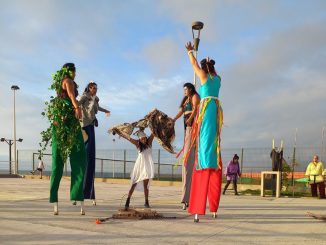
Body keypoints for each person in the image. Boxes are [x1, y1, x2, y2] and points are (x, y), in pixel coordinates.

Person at [185, 42, 223, 222]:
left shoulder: (205, 78)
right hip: (215, 112)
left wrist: (190, 52)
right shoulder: (218, 79)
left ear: (205, 68)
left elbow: (194, 65)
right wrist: (208, 65)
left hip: (208, 112)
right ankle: (213, 208)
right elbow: (207, 69)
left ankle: (204, 161)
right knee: (212, 139)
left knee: (204, 141)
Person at [49, 63, 87, 215]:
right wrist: (77, 108)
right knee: (79, 158)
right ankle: (77, 195)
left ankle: (55, 199)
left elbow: (67, 96)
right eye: (74, 71)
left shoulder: (60, 82)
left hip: (59, 119)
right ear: (69, 71)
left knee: (57, 161)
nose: (75, 74)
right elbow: (72, 95)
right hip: (69, 120)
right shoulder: (68, 80)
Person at [77, 81, 110, 206]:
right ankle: (80, 192)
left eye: (96, 88)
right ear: (89, 88)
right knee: (85, 158)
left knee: (90, 159)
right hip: (84, 126)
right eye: (93, 88)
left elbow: (98, 108)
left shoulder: (95, 98)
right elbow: (77, 105)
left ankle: (89, 192)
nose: (95, 89)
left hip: (91, 126)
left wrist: (106, 110)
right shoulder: (84, 96)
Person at [113, 128, 155, 210]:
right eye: (142, 138)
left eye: (145, 138)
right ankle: (127, 200)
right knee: (133, 184)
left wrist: (154, 123)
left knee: (146, 186)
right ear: (140, 139)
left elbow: (154, 132)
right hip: (139, 166)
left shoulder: (149, 142)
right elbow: (128, 138)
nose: (144, 140)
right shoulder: (137, 144)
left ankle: (146, 202)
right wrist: (119, 132)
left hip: (146, 167)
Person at [173, 83, 200, 210]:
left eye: (185, 89)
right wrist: (173, 119)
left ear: (190, 89)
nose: (184, 91)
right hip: (187, 132)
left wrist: (191, 118)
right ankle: (186, 198)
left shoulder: (195, 96)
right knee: (186, 165)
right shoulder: (185, 100)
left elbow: (195, 109)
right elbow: (180, 112)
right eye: (183, 89)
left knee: (189, 164)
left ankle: (189, 198)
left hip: (193, 130)